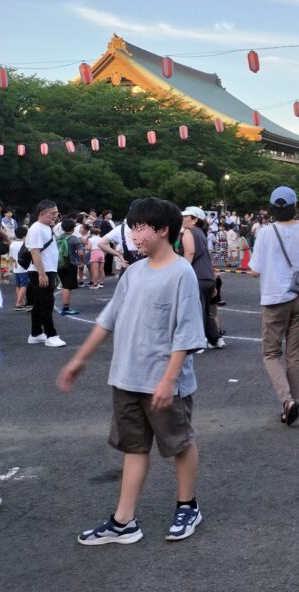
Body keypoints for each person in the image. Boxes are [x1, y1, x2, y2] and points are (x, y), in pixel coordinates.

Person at [56, 197, 207, 545]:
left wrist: (169, 379)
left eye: (140, 227)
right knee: (134, 448)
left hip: (164, 382)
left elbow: (186, 333)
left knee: (179, 443)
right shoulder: (135, 272)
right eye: (132, 225)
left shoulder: (181, 273)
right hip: (126, 378)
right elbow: (108, 318)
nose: (133, 233)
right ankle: (124, 521)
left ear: (163, 230)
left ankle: (188, 505)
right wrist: (80, 359)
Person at [247, 187, 299, 426]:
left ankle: (287, 401)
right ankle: (294, 402)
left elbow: (255, 270)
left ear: (272, 209)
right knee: (295, 355)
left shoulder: (265, 233)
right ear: (295, 207)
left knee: (271, 353)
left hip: (274, 298)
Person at [180, 207, 222, 349]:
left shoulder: (189, 232)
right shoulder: (201, 233)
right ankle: (215, 338)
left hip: (197, 276)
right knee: (205, 309)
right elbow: (206, 257)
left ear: (195, 220)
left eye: (187, 216)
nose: (184, 219)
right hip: (207, 277)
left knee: (195, 310)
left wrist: (182, 273)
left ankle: (199, 341)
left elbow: (190, 252)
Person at [26, 200, 65, 348]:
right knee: (46, 304)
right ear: (42, 213)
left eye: (56, 212)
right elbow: (35, 252)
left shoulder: (45, 227)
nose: (55, 216)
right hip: (41, 271)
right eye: (53, 213)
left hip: (45, 270)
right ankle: (51, 335)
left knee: (39, 303)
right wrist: (42, 274)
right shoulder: (36, 228)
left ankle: (36, 333)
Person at [57, 218, 85, 316]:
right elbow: (81, 252)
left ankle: (65, 307)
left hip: (59, 264)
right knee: (67, 287)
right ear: (73, 228)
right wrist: (82, 261)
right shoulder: (74, 238)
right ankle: (66, 308)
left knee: (64, 284)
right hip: (70, 264)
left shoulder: (58, 238)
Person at [86, 225, 105, 289]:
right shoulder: (101, 239)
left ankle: (95, 284)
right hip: (101, 252)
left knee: (95, 270)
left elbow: (89, 248)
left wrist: (86, 248)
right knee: (101, 270)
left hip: (94, 253)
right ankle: (102, 283)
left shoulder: (90, 239)